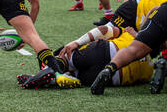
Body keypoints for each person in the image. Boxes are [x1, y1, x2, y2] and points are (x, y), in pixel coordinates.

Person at [91, 0, 167, 95]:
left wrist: (141, 35)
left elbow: (154, 9)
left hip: (163, 10)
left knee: (133, 49)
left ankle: (109, 68)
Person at [17, 30, 154, 89]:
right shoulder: (149, 71)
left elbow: (104, 29)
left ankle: (51, 69)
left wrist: (77, 42)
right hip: (112, 79)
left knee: (66, 56)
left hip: (106, 51)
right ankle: (57, 78)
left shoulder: (133, 36)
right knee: (75, 74)